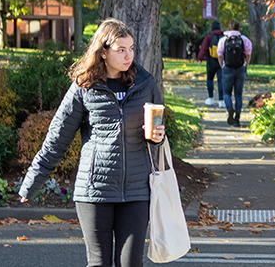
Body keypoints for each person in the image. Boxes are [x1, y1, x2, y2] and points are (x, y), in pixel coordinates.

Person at [18, 18, 168, 267]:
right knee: (99, 264)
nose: (128, 55)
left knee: (131, 263)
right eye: (121, 50)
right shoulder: (84, 86)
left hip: (136, 191)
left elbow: (159, 139)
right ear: (103, 52)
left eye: (131, 48)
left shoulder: (145, 84)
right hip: (94, 190)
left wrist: (157, 138)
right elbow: (57, 138)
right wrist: (32, 181)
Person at [216, 21, 253, 127]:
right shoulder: (244, 39)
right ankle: (237, 119)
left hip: (228, 68)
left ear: (228, 28)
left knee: (226, 93)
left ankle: (229, 108)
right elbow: (248, 54)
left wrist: (222, 65)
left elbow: (219, 54)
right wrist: (246, 64)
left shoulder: (223, 40)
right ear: (239, 29)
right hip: (240, 68)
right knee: (238, 94)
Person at [194, 21, 225, 106]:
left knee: (210, 79)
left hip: (211, 61)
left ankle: (210, 98)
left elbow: (204, 48)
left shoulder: (209, 37)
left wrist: (200, 59)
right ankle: (221, 100)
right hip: (221, 62)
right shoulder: (223, 37)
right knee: (221, 81)